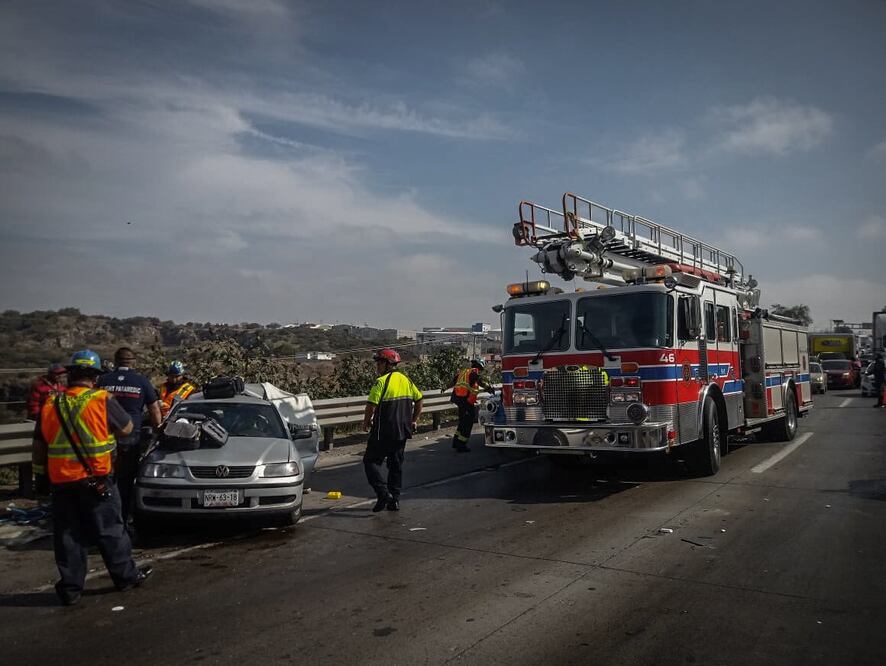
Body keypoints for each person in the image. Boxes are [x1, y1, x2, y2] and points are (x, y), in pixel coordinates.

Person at [35, 349, 152, 606]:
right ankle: (125, 577)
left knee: (68, 536)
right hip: (97, 480)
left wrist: (39, 476)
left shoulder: (51, 403)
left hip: (62, 481)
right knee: (110, 530)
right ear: (95, 377)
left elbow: (39, 445)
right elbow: (127, 429)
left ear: (71, 375)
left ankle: (70, 589)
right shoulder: (102, 400)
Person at [97, 347, 162, 527]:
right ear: (133, 362)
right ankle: (123, 519)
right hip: (131, 436)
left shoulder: (103, 380)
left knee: (104, 478)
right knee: (126, 481)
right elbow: (154, 410)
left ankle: (103, 517)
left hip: (103, 437)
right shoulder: (141, 381)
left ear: (115, 361)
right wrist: (158, 431)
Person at [362, 349, 423, 512]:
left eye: (379, 363)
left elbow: (371, 406)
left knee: (370, 462)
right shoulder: (406, 380)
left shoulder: (381, 382)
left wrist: (366, 422)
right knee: (395, 466)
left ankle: (383, 493)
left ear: (388, 364)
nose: (377, 366)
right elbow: (419, 400)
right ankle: (394, 500)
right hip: (402, 431)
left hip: (383, 431)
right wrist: (414, 420)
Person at [28, 363, 67, 494]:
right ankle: (42, 486)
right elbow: (33, 406)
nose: (59, 376)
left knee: (54, 457)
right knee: (41, 458)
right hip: (43, 426)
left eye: (61, 373)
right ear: (50, 374)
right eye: (57, 373)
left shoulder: (62, 387)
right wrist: (43, 418)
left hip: (58, 427)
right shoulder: (39, 386)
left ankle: (54, 485)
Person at [443, 358, 495, 453]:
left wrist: (444, 388)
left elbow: (453, 381)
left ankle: (456, 442)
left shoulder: (464, 372)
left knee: (462, 421)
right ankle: (461, 445)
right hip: (465, 400)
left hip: (459, 399)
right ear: (480, 367)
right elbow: (481, 382)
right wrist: (489, 388)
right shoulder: (474, 373)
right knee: (467, 422)